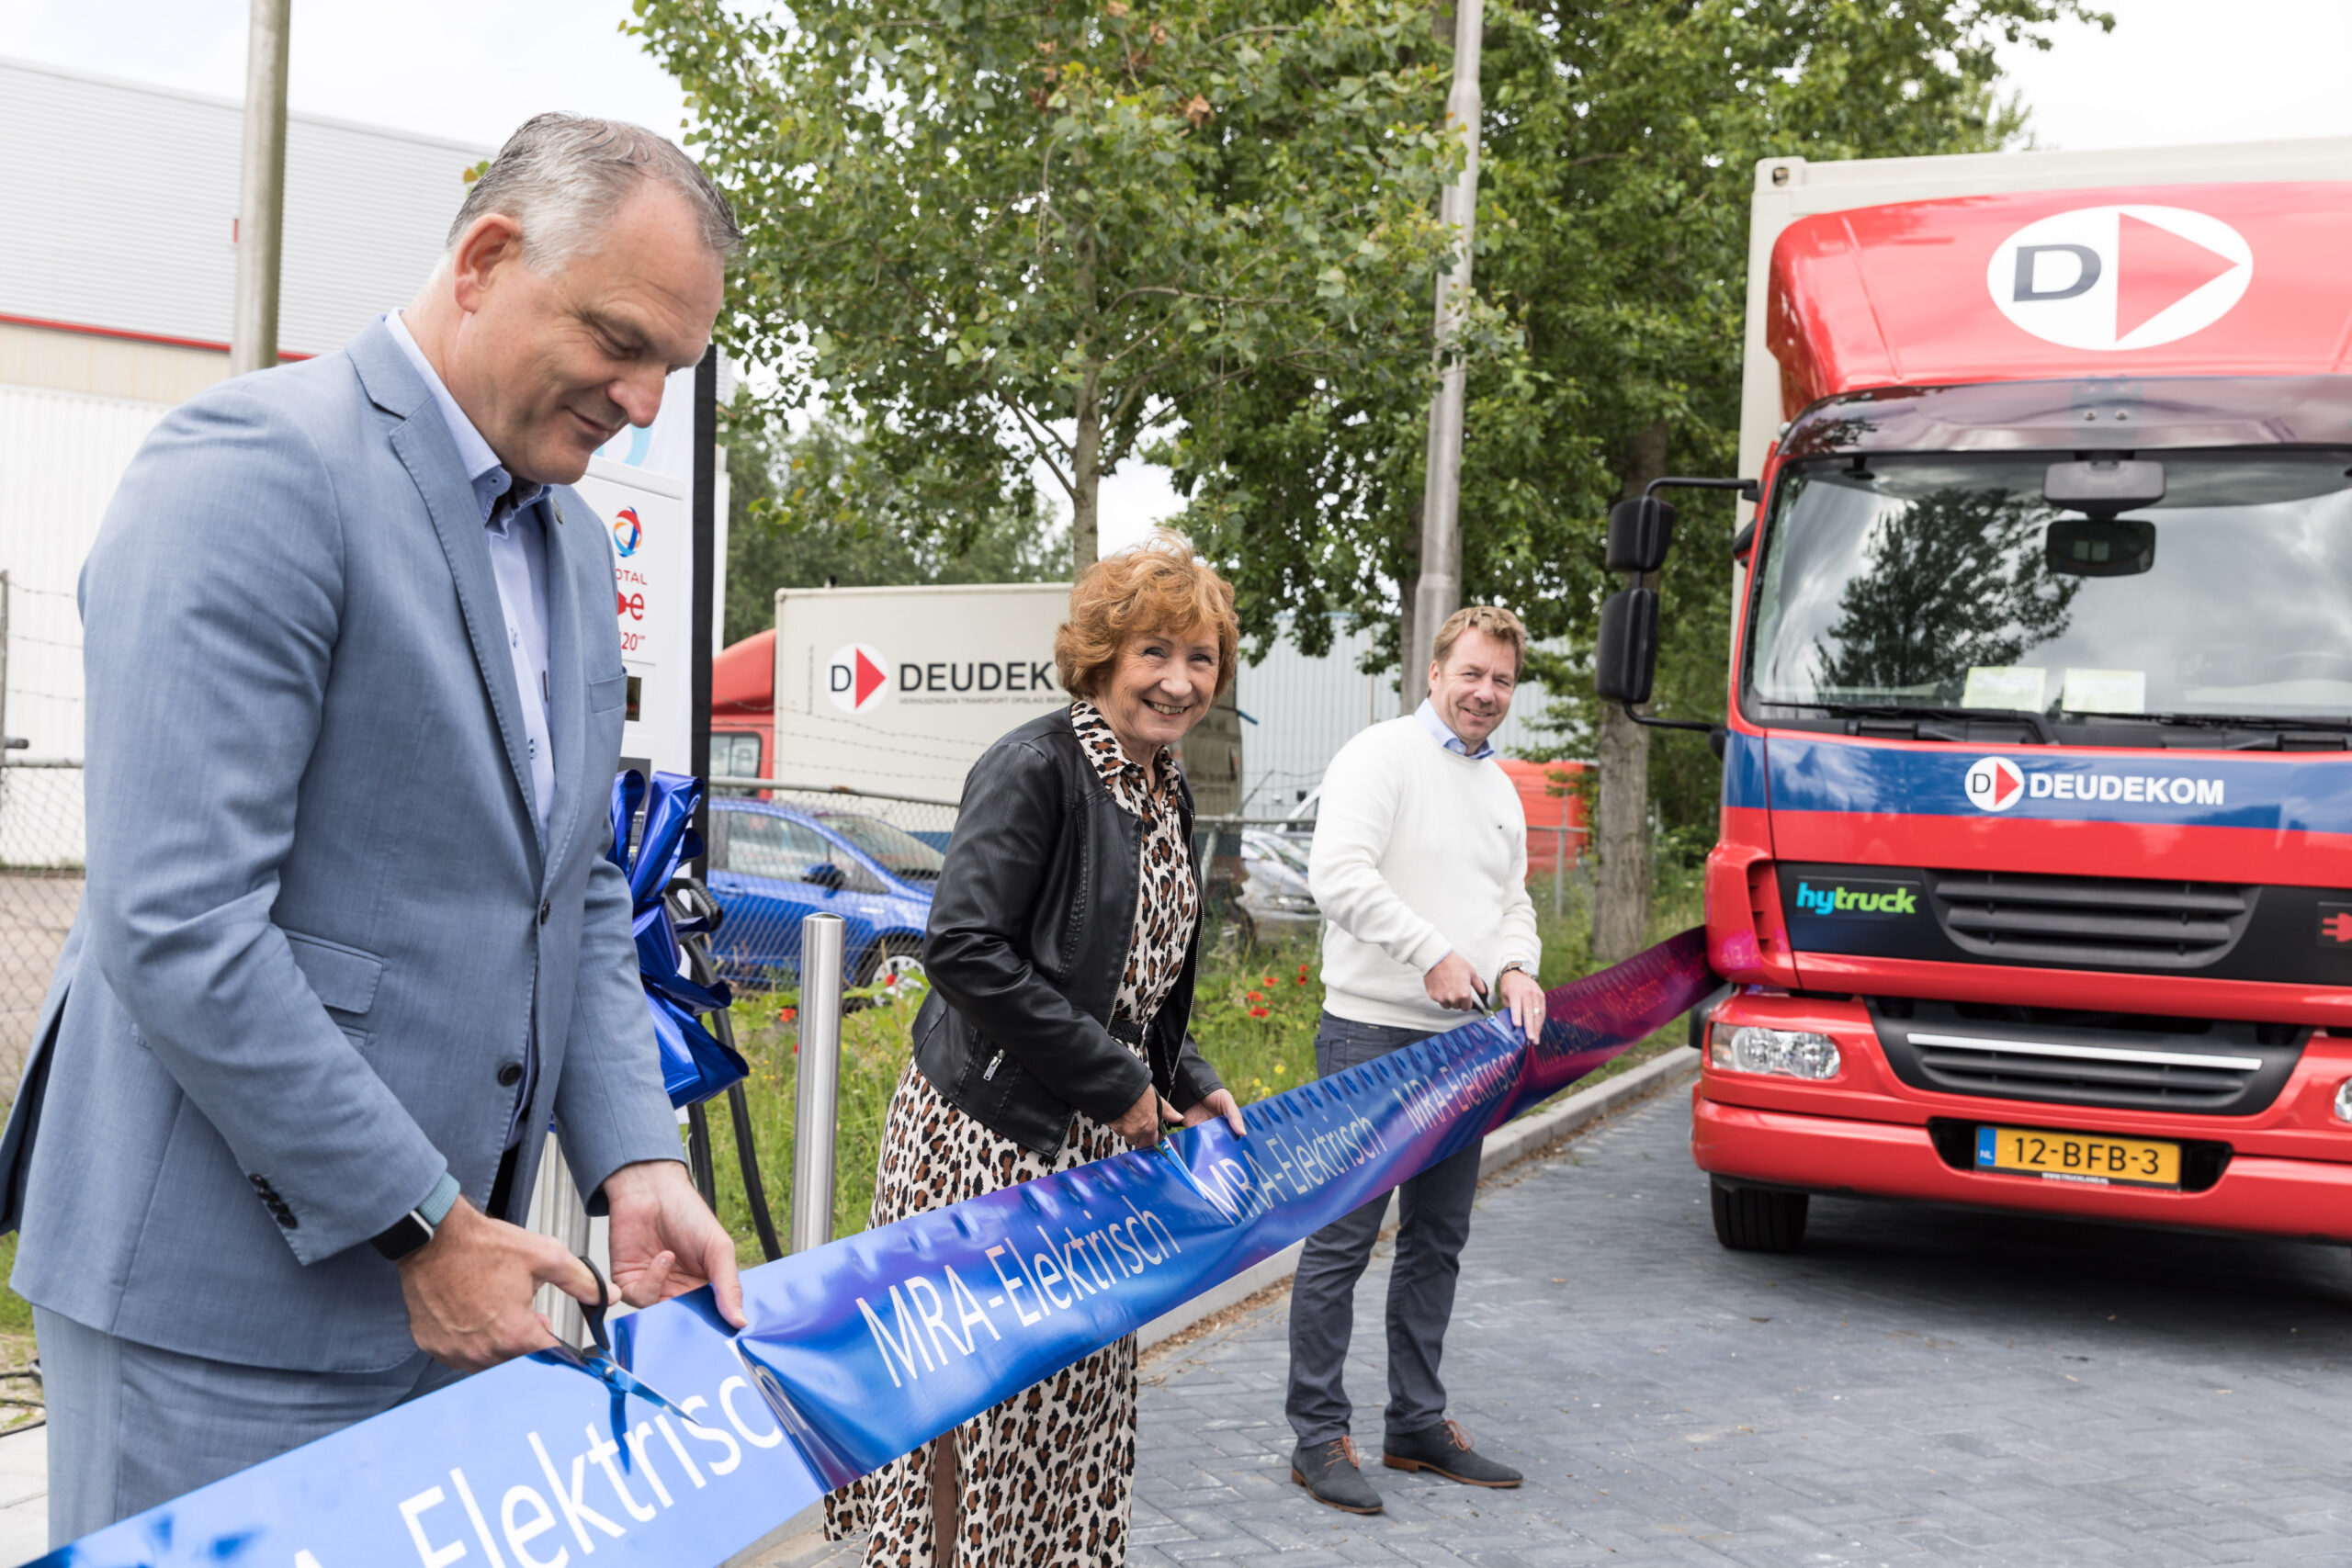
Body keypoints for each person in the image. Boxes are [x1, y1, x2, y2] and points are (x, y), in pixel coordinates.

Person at [0, 115, 748, 1542]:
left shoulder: (575, 541)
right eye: (622, 340)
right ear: (484, 257)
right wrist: (424, 1222)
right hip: (220, 1316)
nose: (646, 402)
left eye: (674, 367)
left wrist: (636, 1161)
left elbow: (574, 884)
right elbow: (180, 924)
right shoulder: (250, 472)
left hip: (466, 1290)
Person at [825, 533, 1248, 1568]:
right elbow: (962, 951)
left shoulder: (1164, 788)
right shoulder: (1034, 766)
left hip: (1100, 1144)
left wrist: (1189, 1083)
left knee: (1070, 1405)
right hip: (988, 1144)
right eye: (1156, 652)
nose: (1179, 681)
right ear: (1102, 654)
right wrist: (1118, 1084)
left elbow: (1134, 978)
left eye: (1201, 661)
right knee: (976, 1404)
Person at [1284, 604, 1544, 1514]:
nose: (1485, 693)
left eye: (1502, 681)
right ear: (1434, 672)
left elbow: (1513, 902)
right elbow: (1340, 877)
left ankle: (1416, 1425)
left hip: (1466, 1046)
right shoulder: (1379, 756)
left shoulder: (1500, 788)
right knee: (1343, 1241)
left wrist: (1517, 966)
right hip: (1371, 1036)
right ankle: (1318, 1436)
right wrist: (1429, 951)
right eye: (1471, 674)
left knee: (1437, 1242)